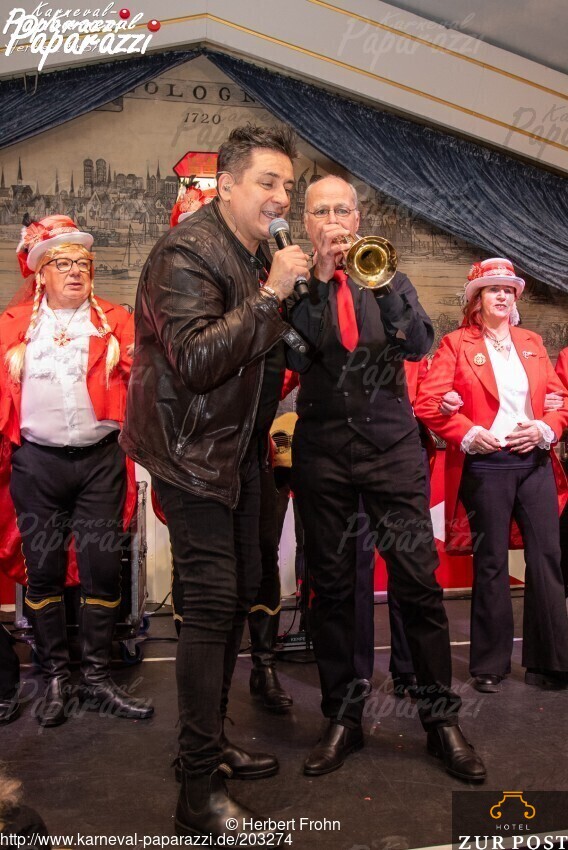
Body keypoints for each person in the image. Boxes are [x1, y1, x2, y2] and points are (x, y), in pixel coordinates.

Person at [121, 125, 309, 840]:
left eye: (287, 185)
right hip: (193, 456)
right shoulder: (186, 252)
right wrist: (272, 294)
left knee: (236, 599)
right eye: (267, 182)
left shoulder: (254, 251)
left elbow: (272, 351)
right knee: (208, 608)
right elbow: (198, 360)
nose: (281, 196)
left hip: (239, 452)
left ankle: (210, 742)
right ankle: (197, 794)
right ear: (226, 185)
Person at [288, 175, 486, 783]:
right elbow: (294, 356)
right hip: (323, 451)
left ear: (357, 216)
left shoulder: (389, 274)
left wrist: (384, 284)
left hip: (392, 449)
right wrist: (320, 279)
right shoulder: (294, 282)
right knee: (333, 589)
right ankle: (343, 718)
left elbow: (420, 343)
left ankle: (440, 721)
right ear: (307, 222)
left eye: (341, 210)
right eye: (321, 211)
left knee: (418, 585)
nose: (333, 221)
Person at [0, 214, 153, 727]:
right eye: (62, 263)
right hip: (37, 465)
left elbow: (146, 379)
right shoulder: (13, 325)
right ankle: (56, 679)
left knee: (102, 567)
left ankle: (97, 678)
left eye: (83, 263)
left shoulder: (116, 321)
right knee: (43, 572)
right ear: (40, 273)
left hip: (99, 462)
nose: (75, 271)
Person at [415, 257, 568, 693]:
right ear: (477, 298)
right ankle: (489, 664)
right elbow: (427, 402)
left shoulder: (532, 342)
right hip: (487, 465)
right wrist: (468, 432)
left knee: (547, 559)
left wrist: (545, 428)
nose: (502, 295)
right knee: (491, 563)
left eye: (508, 289)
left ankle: (551, 662)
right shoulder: (455, 343)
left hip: (534, 462)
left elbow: (560, 400)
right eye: (493, 289)